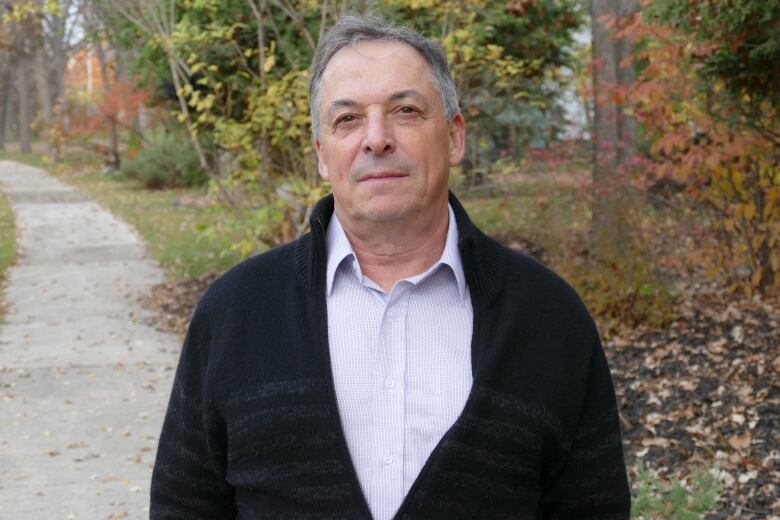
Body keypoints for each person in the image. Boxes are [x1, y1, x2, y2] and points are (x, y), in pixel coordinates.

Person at [150, 15, 631, 520]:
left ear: (454, 137)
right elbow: (184, 506)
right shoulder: (236, 313)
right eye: (347, 119)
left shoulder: (549, 319)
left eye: (405, 110)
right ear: (321, 154)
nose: (376, 139)